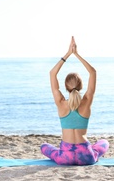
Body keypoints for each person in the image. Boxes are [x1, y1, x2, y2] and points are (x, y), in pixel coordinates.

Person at [40, 36, 109, 165]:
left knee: (44, 146)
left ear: (66, 87)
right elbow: (93, 72)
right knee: (104, 142)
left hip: (65, 157)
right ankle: (94, 153)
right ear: (81, 86)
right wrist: (77, 54)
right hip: (86, 156)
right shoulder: (87, 101)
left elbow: (52, 73)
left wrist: (68, 54)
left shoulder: (60, 103)